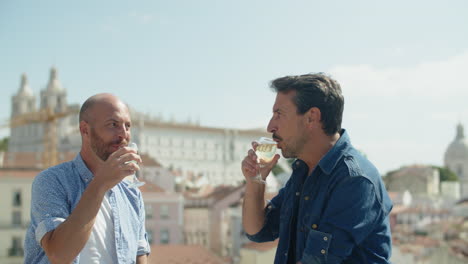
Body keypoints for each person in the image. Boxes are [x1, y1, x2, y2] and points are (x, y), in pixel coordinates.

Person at [241, 73, 392, 264]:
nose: (271, 126)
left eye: (279, 114)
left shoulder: (355, 180)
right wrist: (256, 181)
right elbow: (258, 231)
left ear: (311, 117)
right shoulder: (303, 171)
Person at [24, 93, 150, 263]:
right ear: (85, 130)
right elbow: (59, 254)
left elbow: (139, 254)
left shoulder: (132, 194)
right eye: (113, 124)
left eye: (127, 126)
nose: (124, 134)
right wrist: (100, 183)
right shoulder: (51, 181)